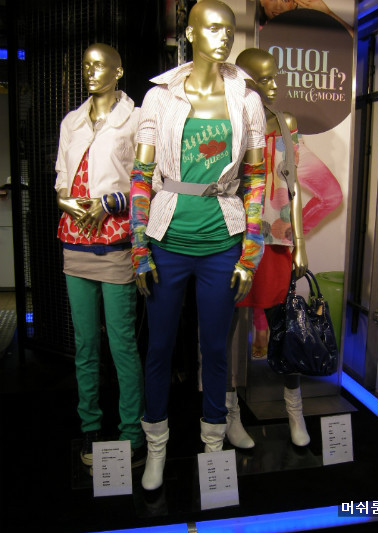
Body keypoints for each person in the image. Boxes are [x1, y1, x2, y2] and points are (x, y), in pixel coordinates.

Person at [130, 0, 266, 491]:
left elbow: (256, 179)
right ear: (189, 33)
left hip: (222, 241)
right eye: (211, 27)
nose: (222, 36)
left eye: (228, 28)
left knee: (215, 348)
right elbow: (141, 175)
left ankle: (213, 449)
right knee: (159, 348)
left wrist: (250, 252)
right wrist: (139, 248)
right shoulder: (159, 97)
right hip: (167, 239)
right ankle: (157, 448)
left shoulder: (246, 99)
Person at [55, 43, 145, 470]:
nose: (90, 71)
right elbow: (61, 178)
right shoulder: (71, 122)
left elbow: (149, 179)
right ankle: (90, 425)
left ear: (118, 70)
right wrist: (64, 202)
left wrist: (111, 201)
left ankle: (132, 433)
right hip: (75, 240)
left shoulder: (136, 118)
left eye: (99, 65)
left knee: (122, 344)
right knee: (86, 344)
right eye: (86, 65)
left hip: (114, 240)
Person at [236, 47, 311, 447]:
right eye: (262, 79)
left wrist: (299, 242)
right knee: (228, 333)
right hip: (234, 239)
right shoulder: (229, 122)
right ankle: (229, 414)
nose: (272, 86)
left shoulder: (286, 123)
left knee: (286, 329)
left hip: (277, 240)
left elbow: (293, 186)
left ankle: (294, 411)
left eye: (273, 77)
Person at [259, 0, 353, 36]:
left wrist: (327, 13)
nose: (278, 6)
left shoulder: (308, 31)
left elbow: (352, 38)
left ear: (295, 4)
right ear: (262, 1)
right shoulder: (255, 33)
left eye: (286, 0)